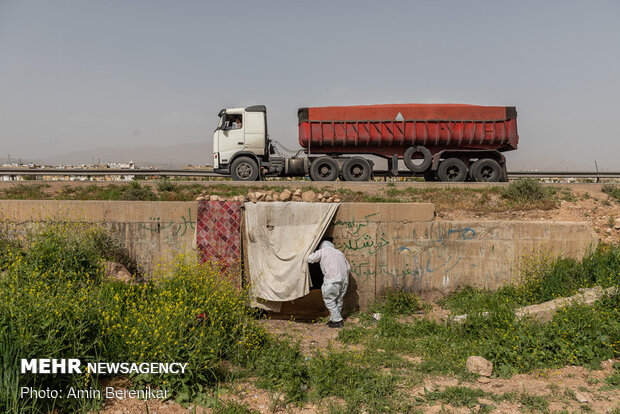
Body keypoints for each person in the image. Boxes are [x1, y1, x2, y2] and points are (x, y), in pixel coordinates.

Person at [307, 240, 350, 328]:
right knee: (339, 300)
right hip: (344, 280)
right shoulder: (339, 253)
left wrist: (304, 254)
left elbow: (310, 259)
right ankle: (333, 320)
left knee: (329, 300)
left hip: (332, 279)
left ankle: (338, 320)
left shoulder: (323, 251)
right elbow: (348, 267)